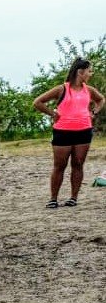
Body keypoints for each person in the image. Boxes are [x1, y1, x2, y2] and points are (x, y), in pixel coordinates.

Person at [33, 57, 103, 208]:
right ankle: (53, 199)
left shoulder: (88, 90)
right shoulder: (62, 89)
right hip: (62, 132)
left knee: (78, 164)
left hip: (83, 131)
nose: (90, 74)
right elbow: (37, 102)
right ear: (80, 72)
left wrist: (94, 113)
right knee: (59, 165)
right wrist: (53, 114)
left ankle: (73, 198)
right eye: (89, 71)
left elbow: (101, 100)